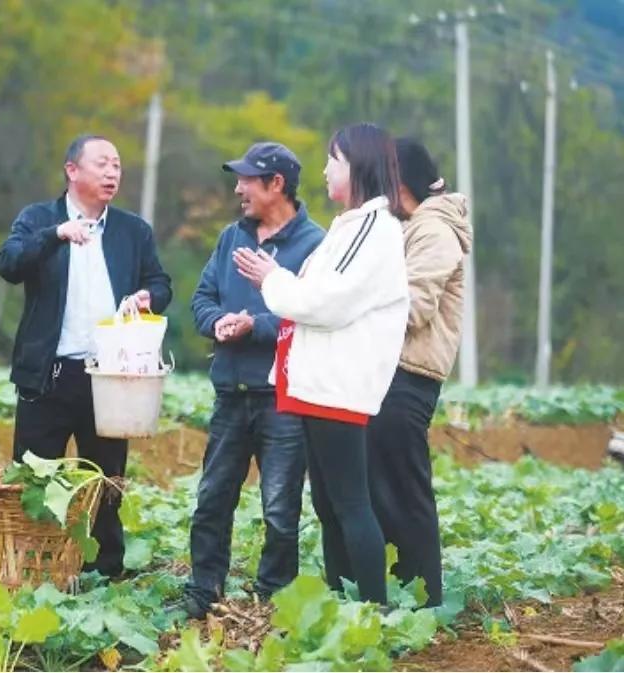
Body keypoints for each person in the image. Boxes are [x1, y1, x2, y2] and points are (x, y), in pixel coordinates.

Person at [234, 122, 409, 604]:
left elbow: (326, 302)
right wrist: (280, 281)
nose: (325, 170)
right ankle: (342, 602)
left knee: (351, 504)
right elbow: (314, 294)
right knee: (330, 505)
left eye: (333, 160)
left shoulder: (374, 228)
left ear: (358, 166)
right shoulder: (351, 226)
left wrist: (272, 277)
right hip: (319, 383)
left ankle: (371, 612)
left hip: (338, 384)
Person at [0, 134, 172, 577]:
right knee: (36, 482)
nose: (113, 172)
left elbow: (161, 282)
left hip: (110, 378)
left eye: (117, 165)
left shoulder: (133, 230)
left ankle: (105, 571)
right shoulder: (40, 219)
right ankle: (32, 569)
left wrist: (151, 296)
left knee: (106, 480)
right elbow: (8, 262)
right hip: (49, 375)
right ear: (72, 170)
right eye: (102, 164)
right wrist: (55, 236)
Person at [184, 142, 325, 617]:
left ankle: (274, 598)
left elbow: (314, 315)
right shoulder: (231, 238)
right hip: (230, 393)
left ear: (276, 184)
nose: (238, 188)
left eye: (248, 179)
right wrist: (217, 322)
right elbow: (202, 297)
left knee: (281, 511)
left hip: (283, 398)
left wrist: (255, 326)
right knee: (212, 499)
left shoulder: (315, 245)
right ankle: (203, 591)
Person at [365, 138, 471, 607]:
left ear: (398, 180)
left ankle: (426, 598)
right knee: (386, 490)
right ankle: (406, 592)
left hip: (411, 375)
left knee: (406, 491)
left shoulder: (434, 231)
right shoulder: (414, 226)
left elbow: (414, 305)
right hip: (393, 372)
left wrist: (354, 303)